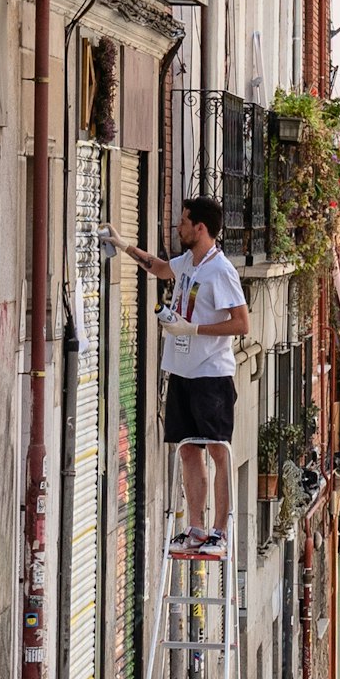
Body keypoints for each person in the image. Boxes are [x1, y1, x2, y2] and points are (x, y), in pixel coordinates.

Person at [121, 198, 248, 552]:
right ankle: (196, 528)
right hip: (182, 372)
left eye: (183, 222)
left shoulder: (220, 270)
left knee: (218, 451)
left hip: (211, 375)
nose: (178, 228)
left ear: (200, 228)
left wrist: (194, 330)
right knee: (189, 450)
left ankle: (219, 533)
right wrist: (124, 245)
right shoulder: (190, 262)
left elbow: (242, 323)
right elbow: (161, 269)